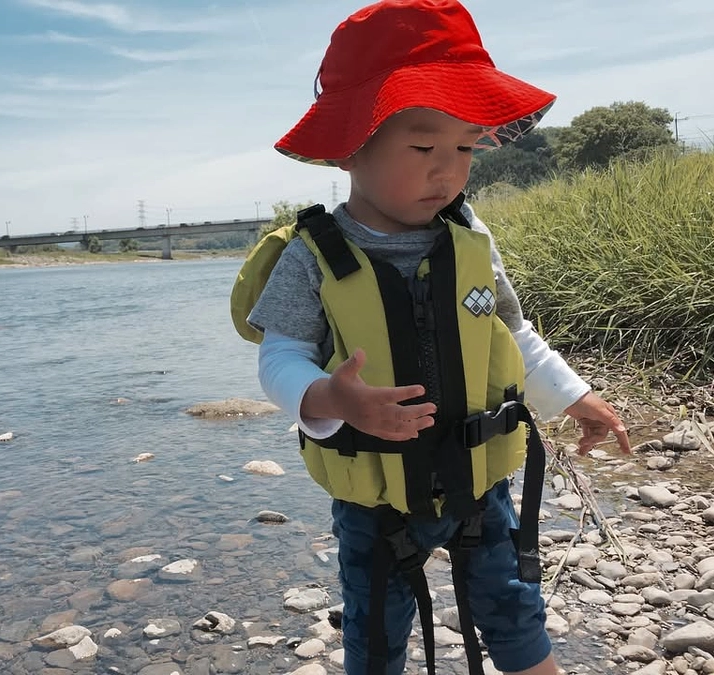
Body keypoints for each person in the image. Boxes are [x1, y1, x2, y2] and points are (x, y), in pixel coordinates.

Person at [231, 2, 632, 674]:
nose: (448, 170)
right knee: (376, 638)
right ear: (350, 146)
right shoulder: (311, 255)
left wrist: (574, 396)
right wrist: (329, 397)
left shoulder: (471, 241)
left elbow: (512, 335)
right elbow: (280, 358)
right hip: (375, 504)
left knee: (517, 618)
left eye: (466, 147)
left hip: (480, 486)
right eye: (423, 147)